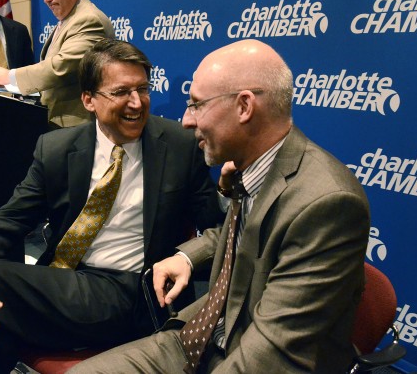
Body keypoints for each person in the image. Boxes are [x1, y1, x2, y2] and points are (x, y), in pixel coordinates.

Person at [0, 39, 224, 374]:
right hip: (68, 281)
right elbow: (12, 217)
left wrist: (184, 258)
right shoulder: (57, 148)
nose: (137, 102)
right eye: (121, 92)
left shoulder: (179, 145)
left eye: (143, 89)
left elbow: (218, 228)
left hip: (136, 292)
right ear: (89, 100)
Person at [70, 39, 371, 373]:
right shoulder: (250, 166)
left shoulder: (327, 203)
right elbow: (248, 237)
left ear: (244, 107)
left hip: (246, 355)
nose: (186, 120)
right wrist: (186, 256)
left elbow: (270, 355)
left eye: (197, 105)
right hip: (201, 333)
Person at [0, 0, 115, 129]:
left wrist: (10, 76)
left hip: (77, 126)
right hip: (59, 122)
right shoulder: (70, 18)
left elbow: (60, 67)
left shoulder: (89, 19)